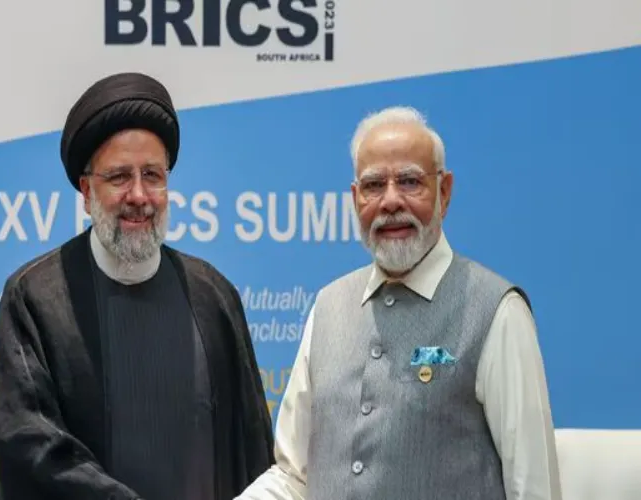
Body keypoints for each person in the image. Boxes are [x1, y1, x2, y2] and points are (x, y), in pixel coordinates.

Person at [236, 106, 562, 500]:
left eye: (410, 182)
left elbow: (533, 487)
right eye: (374, 185)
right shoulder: (328, 307)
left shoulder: (497, 311)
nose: (391, 201)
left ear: (444, 192)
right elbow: (294, 477)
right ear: (356, 199)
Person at [0, 72, 274, 500]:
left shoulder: (213, 295)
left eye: (153, 175)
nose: (139, 195)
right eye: (120, 176)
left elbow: (252, 447)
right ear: (86, 191)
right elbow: (29, 445)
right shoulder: (34, 297)